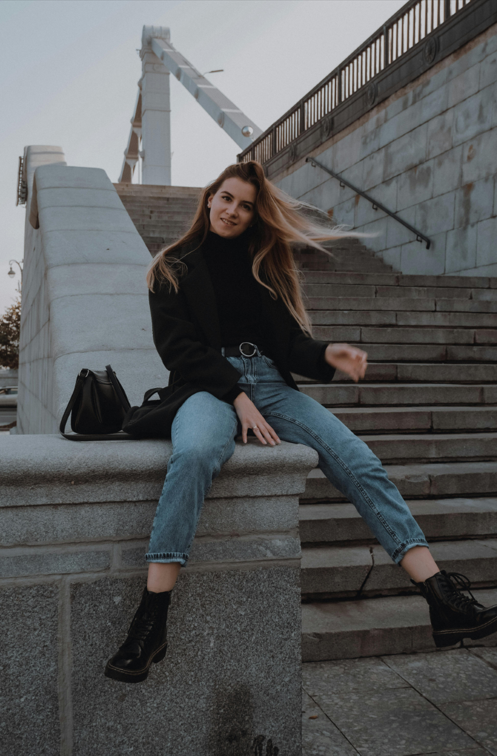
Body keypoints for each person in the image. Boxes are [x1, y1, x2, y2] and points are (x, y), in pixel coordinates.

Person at [105, 161, 497, 684]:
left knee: (359, 461)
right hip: (204, 385)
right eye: (226, 198)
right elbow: (178, 349)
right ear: (209, 197)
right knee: (196, 452)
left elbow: (288, 344)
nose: (233, 211)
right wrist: (236, 395)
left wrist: (327, 353)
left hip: (270, 382)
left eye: (245, 206)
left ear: (255, 214)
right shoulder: (171, 266)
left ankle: (442, 599)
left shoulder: (266, 263)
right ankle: (151, 619)